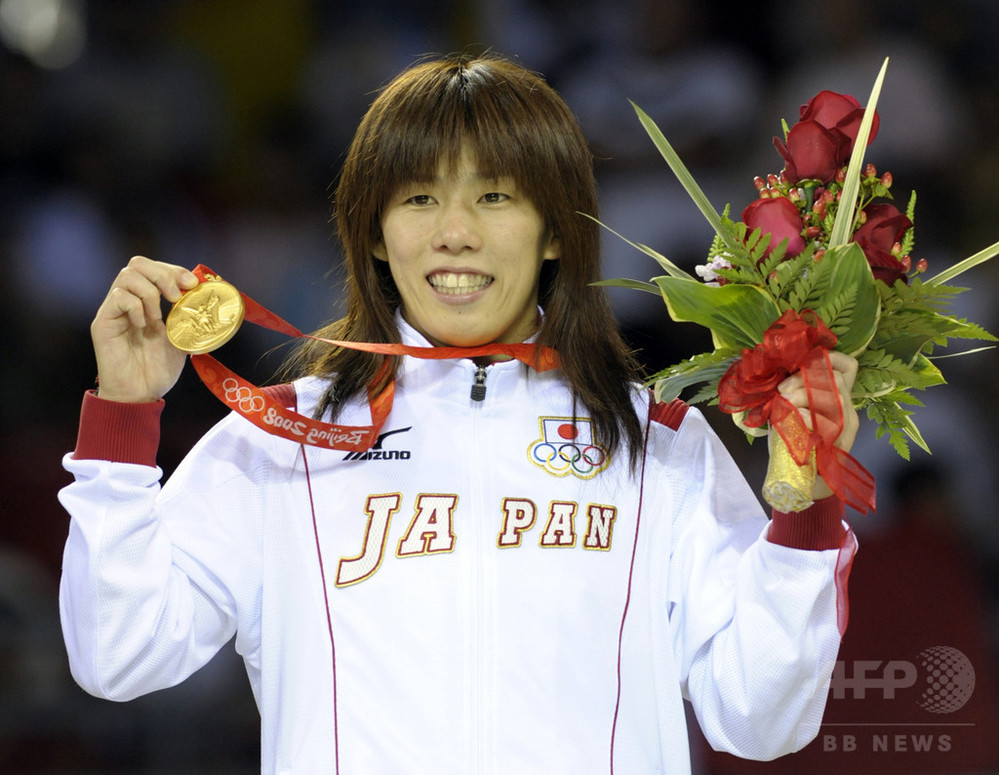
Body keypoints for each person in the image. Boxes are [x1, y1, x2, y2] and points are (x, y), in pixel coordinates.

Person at [58, 53, 861, 774]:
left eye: (494, 196)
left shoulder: (661, 448)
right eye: (417, 198)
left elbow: (761, 718)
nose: (454, 233)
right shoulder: (278, 445)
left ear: (554, 232)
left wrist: (806, 506)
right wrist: (124, 424)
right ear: (373, 232)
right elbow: (119, 655)